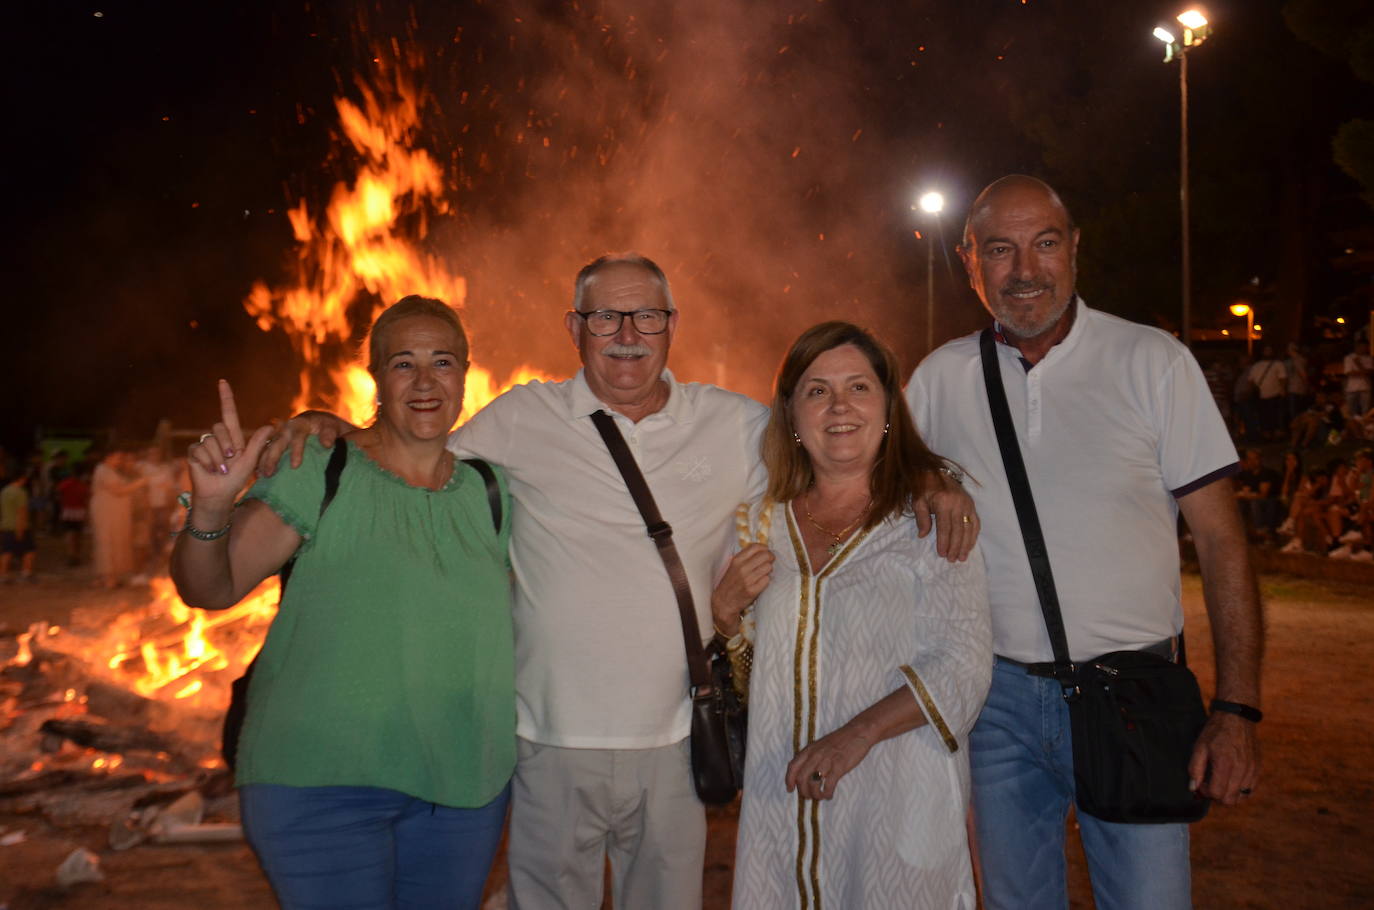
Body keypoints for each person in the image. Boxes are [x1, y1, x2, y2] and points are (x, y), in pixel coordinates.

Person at [263, 253, 979, 910]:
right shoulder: (520, 417)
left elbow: (834, 444)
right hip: (549, 739)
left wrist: (926, 476)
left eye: (648, 316)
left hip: (677, 738)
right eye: (605, 315)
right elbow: (414, 452)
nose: (627, 333)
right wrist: (324, 424)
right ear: (575, 327)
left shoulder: (731, 425)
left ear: (672, 327)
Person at [905, 175, 1263, 910]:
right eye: (1000, 250)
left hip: (1133, 696)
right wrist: (923, 484)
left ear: (1075, 250)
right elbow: (881, 511)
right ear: (968, 261)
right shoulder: (940, 381)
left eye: (1044, 244)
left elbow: (1224, 546)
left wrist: (1236, 711)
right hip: (995, 701)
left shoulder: (1152, 362)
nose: (1025, 270)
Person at [171, 296, 515, 910]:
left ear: (466, 371)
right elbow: (210, 589)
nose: (425, 380)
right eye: (403, 363)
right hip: (318, 786)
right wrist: (212, 508)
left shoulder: (494, 490)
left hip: (462, 789)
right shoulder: (316, 470)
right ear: (376, 378)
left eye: (442, 361)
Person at [716, 322, 991, 908]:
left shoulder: (929, 516)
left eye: (858, 388)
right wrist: (724, 615)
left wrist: (854, 737)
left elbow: (964, 665)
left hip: (897, 797)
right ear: (790, 414)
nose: (839, 405)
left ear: (889, 405)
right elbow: (742, 679)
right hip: (781, 801)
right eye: (816, 390)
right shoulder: (757, 523)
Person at [89, 450, 146, 588]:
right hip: (107, 513)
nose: (120, 461)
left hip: (115, 514)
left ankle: (111, 576)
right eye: (117, 458)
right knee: (107, 542)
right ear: (108, 458)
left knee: (116, 542)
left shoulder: (111, 471)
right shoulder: (103, 470)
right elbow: (118, 490)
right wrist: (140, 483)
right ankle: (108, 578)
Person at [0, 468, 37, 582]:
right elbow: (22, 512)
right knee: (29, 550)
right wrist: (20, 529)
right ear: (22, 478)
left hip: (5, 525)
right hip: (19, 526)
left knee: (6, 551)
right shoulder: (21, 492)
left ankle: (3, 574)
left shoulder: (4, 491)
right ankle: (27, 572)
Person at [1246, 345, 1287, 442]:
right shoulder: (1256, 366)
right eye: (1266, 350)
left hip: (1275, 394)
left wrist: (1282, 390)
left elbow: (1283, 378)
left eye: (1269, 350)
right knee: (1263, 417)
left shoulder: (1278, 364)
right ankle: (1266, 436)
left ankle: (1276, 435)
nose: (1267, 352)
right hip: (1260, 396)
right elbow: (1250, 380)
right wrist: (1250, 392)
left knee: (1275, 416)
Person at [1342, 341, 1373, 421]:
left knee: (1365, 412)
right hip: (1352, 389)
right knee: (1351, 412)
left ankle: (1364, 429)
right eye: (1363, 346)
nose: (1365, 349)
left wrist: (1358, 364)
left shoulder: (1369, 358)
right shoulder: (1349, 358)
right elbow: (1348, 372)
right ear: (1358, 347)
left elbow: (1370, 372)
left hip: (1365, 388)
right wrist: (1363, 371)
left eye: (1366, 347)